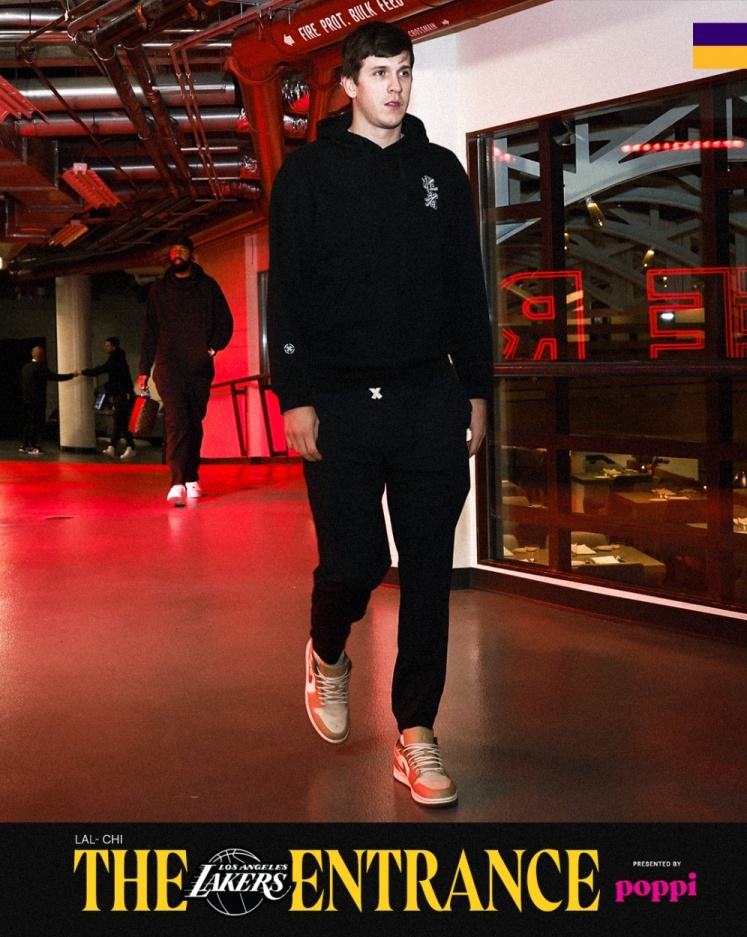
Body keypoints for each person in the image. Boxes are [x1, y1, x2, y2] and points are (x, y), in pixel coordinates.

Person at [267, 21, 493, 807]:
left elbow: (466, 287)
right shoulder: (307, 175)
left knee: (428, 572)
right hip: (338, 401)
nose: (395, 86)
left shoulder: (440, 172)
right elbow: (288, 294)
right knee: (354, 562)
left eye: (404, 71)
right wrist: (294, 394)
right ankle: (328, 652)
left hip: (428, 396)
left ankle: (416, 731)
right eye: (379, 73)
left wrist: (477, 387)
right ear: (348, 85)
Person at [137, 234, 233, 506]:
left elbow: (225, 322)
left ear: (191, 254)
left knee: (193, 421)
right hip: (168, 366)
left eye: (182, 250)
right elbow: (149, 331)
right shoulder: (158, 290)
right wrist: (144, 368)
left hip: (199, 367)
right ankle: (177, 482)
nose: (176, 254)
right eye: (173, 250)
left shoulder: (208, 287)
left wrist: (211, 349)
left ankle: (191, 476)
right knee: (176, 420)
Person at [79, 336, 137, 460]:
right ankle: (119, 447)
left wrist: (84, 372)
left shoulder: (115, 358)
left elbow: (102, 369)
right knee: (121, 421)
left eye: (107, 346)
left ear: (113, 346)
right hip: (122, 393)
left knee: (120, 420)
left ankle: (125, 447)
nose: (105, 348)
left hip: (122, 393)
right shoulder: (119, 358)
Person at [19, 346, 75, 454]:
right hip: (38, 400)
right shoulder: (40, 368)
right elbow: (55, 377)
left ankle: (24, 444)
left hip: (27, 400)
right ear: (40, 355)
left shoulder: (26, 367)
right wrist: (72, 375)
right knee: (37, 423)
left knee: (29, 422)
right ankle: (33, 445)